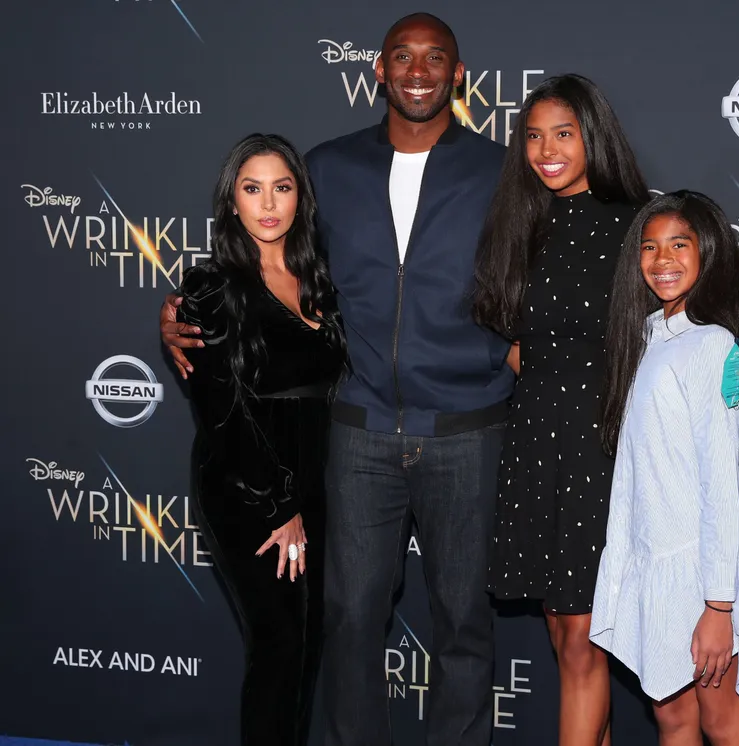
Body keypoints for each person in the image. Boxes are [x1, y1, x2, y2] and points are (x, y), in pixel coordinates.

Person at [163, 13, 512, 746]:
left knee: (464, 626)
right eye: (402, 57)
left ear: (457, 73)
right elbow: (264, 267)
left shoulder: (503, 170)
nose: (418, 70)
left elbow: (562, 273)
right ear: (378, 71)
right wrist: (183, 311)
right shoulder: (326, 166)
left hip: (467, 428)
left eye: (435, 57)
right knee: (349, 621)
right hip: (356, 432)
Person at [473, 77, 739, 746]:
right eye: (532, 135)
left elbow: (697, 307)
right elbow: (505, 332)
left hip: (605, 452)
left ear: (594, 135)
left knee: (583, 641)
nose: (546, 150)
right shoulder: (521, 223)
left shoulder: (637, 222)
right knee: (563, 635)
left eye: (564, 133)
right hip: (535, 446)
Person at [177, 134, 348, 746]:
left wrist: (306, 500)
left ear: (301, 197)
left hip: (313, 483)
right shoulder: (209, 288)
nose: (268, 203)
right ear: (232, 202)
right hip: (249, 488)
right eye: (252, 189)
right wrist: (280, 507)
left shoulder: (318, 279)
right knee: (279, 645)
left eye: (282, 187)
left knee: (304, 644)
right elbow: (221, 411)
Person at [590, 191, 739, 746]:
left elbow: (723, 485)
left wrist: (718, 607)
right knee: (672, 720)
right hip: (656, 566)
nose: (662, 259)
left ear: (708, 254)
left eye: (679, 245)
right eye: (649, 247)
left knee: (725, 722)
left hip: (701, 574)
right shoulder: (647, 334)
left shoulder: (713, 345)